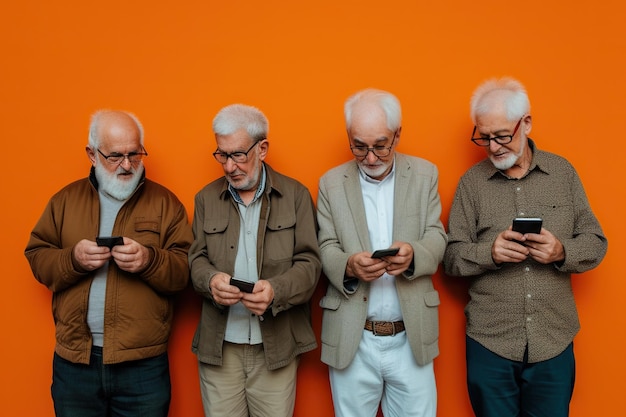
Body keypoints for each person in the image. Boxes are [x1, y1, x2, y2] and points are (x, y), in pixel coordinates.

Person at [443, 77, 608, 417]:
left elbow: (596, 242)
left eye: (502, 135)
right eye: (484, 137)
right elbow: (450, 257)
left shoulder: (563, 174)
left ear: (527, 123)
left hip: (554, 338)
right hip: (490, 341)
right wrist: (489, 253)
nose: (493, 147)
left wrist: (561, 252)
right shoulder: (471, 184)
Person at [24, 110, 193, 416]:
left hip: (143, 366)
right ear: (92, 154)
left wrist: (149, 260)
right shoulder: (64, 201)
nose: (127, 165)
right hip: (75, 363)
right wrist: (72, 259)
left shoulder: (166, 203)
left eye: (134, 154)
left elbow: (185, 272)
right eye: (115, 156)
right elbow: (37, 257)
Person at [317, 88, 447, 417]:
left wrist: (413, 255)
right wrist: (348, 265)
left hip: (410, 335)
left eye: (380, 146)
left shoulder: (425, 174)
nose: (371, 157)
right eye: (359, 146)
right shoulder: (330, 183)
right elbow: (325, 246)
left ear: (397, 135)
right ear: (348, 136)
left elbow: (436, 234)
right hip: (352, 336)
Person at [189, 104, 321, 417]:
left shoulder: (296, 195)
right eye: (222, 155)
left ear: (262, 149)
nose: (229, 166)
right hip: (219, 349)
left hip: (275, 347)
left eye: (237, 154)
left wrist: (276, 290)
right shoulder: (205, 198)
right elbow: (195, 259)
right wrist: (210, 281)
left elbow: (310, 264)